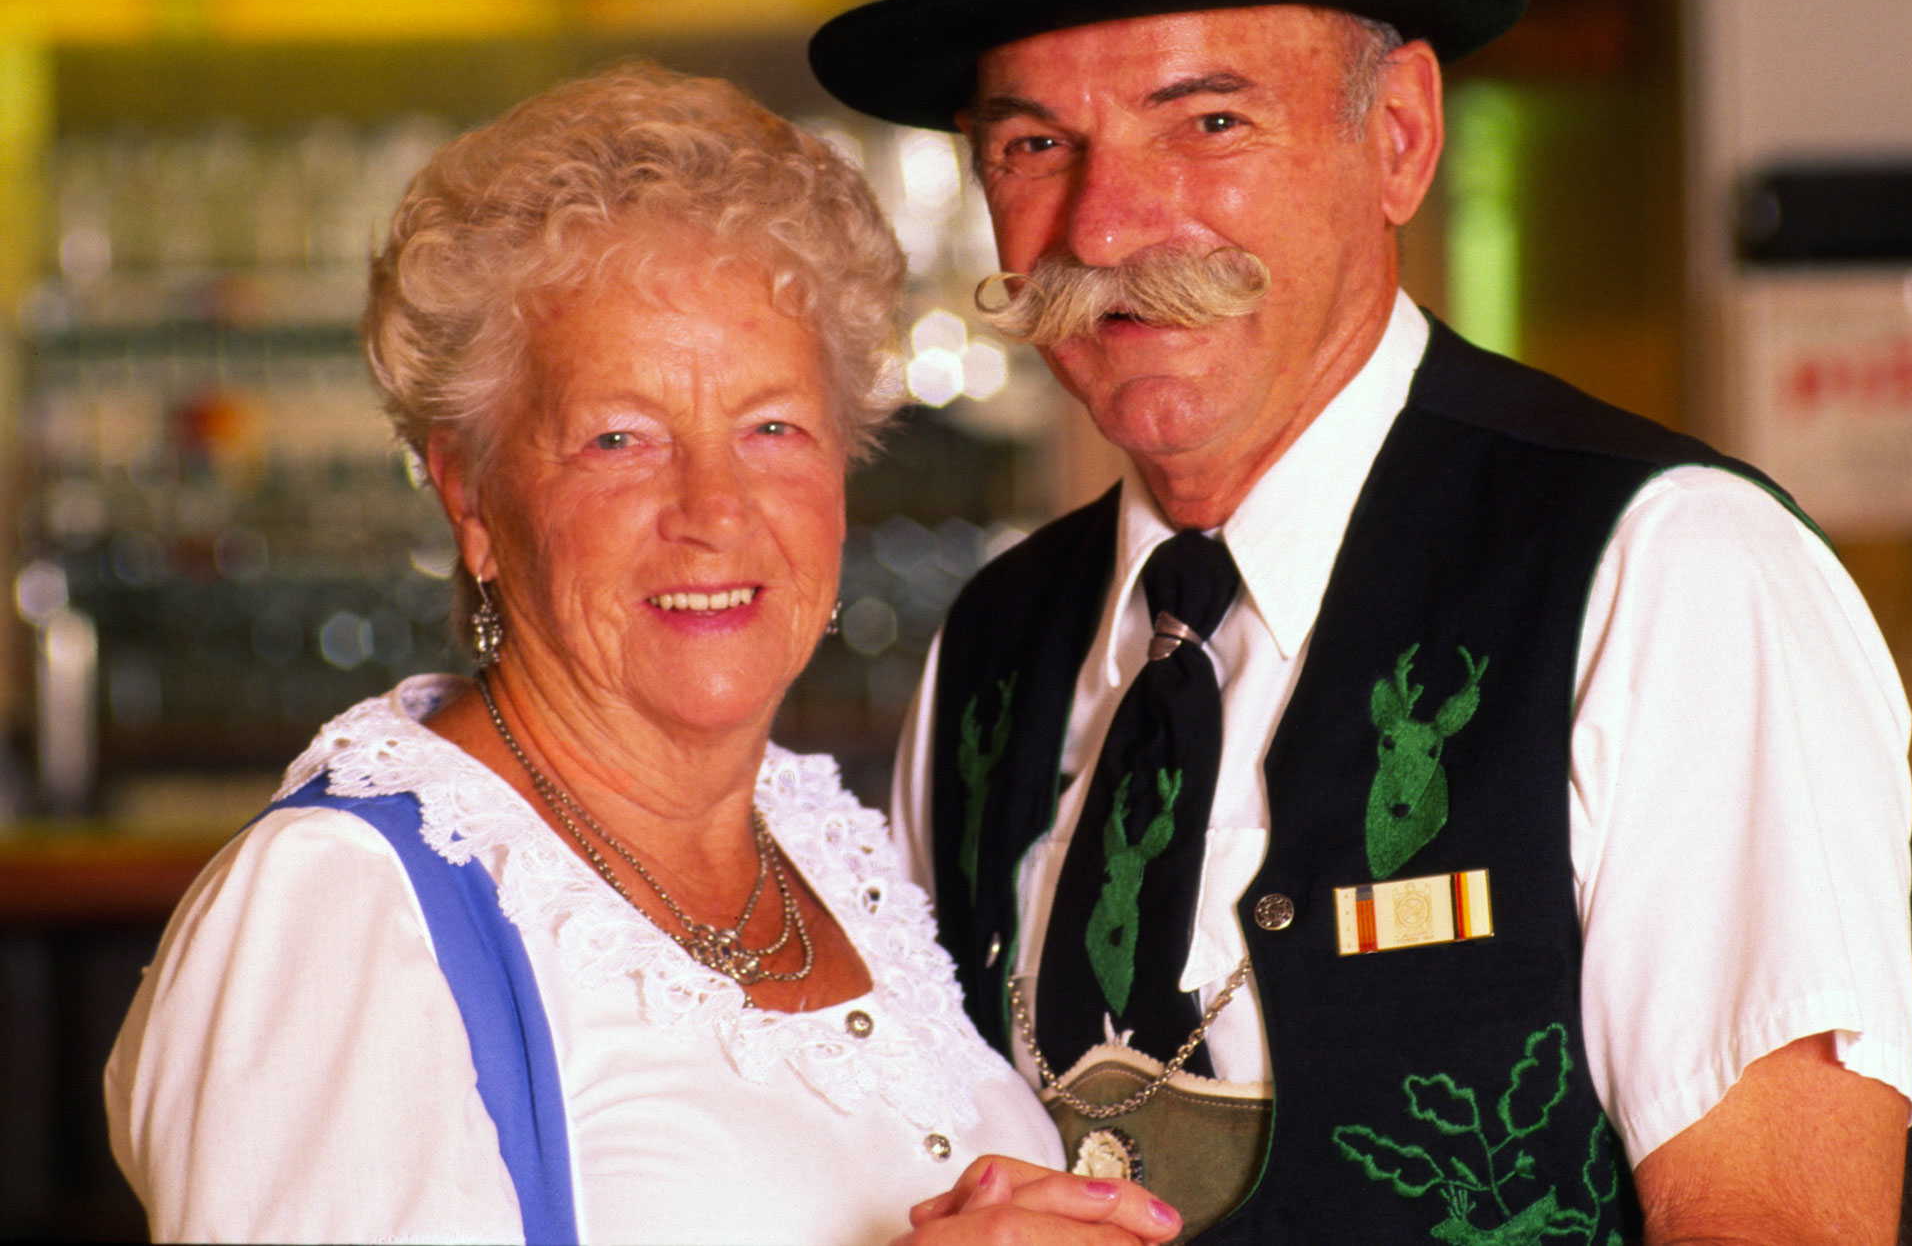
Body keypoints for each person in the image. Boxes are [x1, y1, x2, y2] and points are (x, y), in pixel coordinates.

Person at [808, 0, 1912, 1242]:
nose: (1109, 223)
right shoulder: (991, 652)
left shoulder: (1670, 579)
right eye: (1033, 144)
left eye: (1207, 122)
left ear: (1398, 136)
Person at [103, 66, 1183, 1246]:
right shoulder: (346, 907)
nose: (713, 509)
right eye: (620, 437)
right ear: (470, 493)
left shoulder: (832, 852)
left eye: (772, 426)